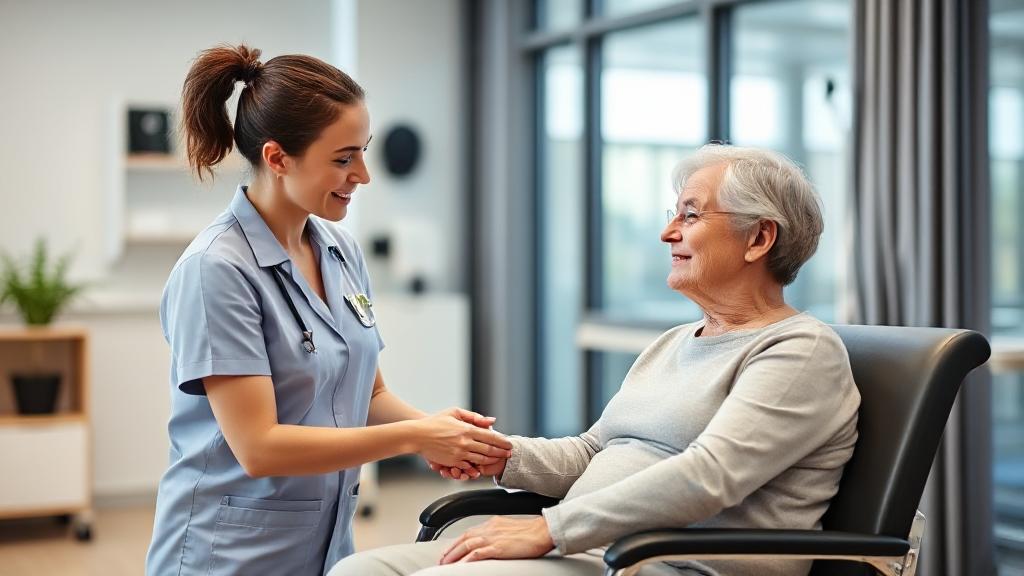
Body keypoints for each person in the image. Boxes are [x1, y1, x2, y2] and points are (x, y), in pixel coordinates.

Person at [329, 144, 862, 576]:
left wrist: (549, 529)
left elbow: (710, 476)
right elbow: (594, 451)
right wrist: (505, 455)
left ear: (760, 238)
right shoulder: (676, 341)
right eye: (672, 214)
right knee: (360, 571)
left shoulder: (800, 352)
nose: (667, 232)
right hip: (597, 551)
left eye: (691, 215)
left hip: (672, 566)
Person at [145, 44, 512, 576]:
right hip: (227, 552)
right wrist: (415, 438)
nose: (362, 174)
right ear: (277, 158)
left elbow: (369, 394)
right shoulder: (216, 270)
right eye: (343, 158)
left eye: (363, 150)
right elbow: (259, 447)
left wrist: (439, 430)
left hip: (324, 542)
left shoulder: (340, 252)